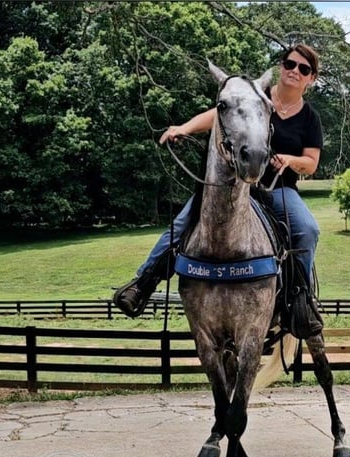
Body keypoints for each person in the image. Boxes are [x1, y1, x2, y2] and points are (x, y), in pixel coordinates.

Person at [113, 44, 325, 335]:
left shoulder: (310, 117)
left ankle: (299, 299)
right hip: (231, 184)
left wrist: (290, 160)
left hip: (277, 187)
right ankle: (144, 282)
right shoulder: (256, 97)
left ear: (311, 78)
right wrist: (183, 128)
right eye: (290, 64)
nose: (294, 71)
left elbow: (311, 163)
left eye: (303, 69)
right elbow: (218, 114)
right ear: (281, 66)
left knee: (307, 230)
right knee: (184, 221)